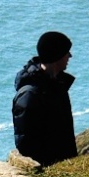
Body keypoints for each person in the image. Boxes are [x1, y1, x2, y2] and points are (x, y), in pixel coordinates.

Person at [12, 31, 78, 166]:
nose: (70, 56)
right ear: (57, 56)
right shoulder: (29, 96)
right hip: (48, 171)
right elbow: (27, 144)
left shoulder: (57, 84)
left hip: (64, 166)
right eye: (66, 52)